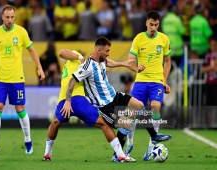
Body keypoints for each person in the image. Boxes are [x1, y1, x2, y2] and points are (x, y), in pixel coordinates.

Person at [61, 36, 172, 162]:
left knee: (139, 105)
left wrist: (123, 63)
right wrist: (68, 101)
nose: (108, 53)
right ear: (99, 51)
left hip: (115, 96)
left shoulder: (102, 60)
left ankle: (154, 136)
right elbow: (72, 81)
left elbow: (109, 62)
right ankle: (117, 155)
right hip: (105, 105)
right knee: (127, 124)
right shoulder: (87, 66)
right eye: (107, 51)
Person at [43, 49, 135, 162]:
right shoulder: (79, 58)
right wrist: (80, 57)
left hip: (75, 100)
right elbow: (61, 52)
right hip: (70, 100)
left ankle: (47, 153)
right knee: (102, 124)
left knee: (55, 122)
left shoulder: (85, 66)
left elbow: (105, 63)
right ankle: (120, 154)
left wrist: (104, 71)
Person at [0, 5, 45, 154]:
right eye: (7, 17)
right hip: (1, 78)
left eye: (12, 17)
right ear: (2, 17)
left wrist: (39, 67)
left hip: (17, 78)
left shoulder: (21, 32)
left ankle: (28, 140)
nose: (10, 20)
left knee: (20, 110)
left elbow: (31, 49)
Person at [122, 10, 172, 161]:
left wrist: (164, 80)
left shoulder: (164, 39)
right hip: (141, 81)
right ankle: (129, 143)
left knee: (155, 108)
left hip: (156, 81)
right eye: (151, 24)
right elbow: (130, 61)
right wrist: (137, 68)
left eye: (156, 25)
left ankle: (152, 146)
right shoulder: (139, 38)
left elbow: (168, 61)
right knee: (132, 113)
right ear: (146, 23)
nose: (153, 28)